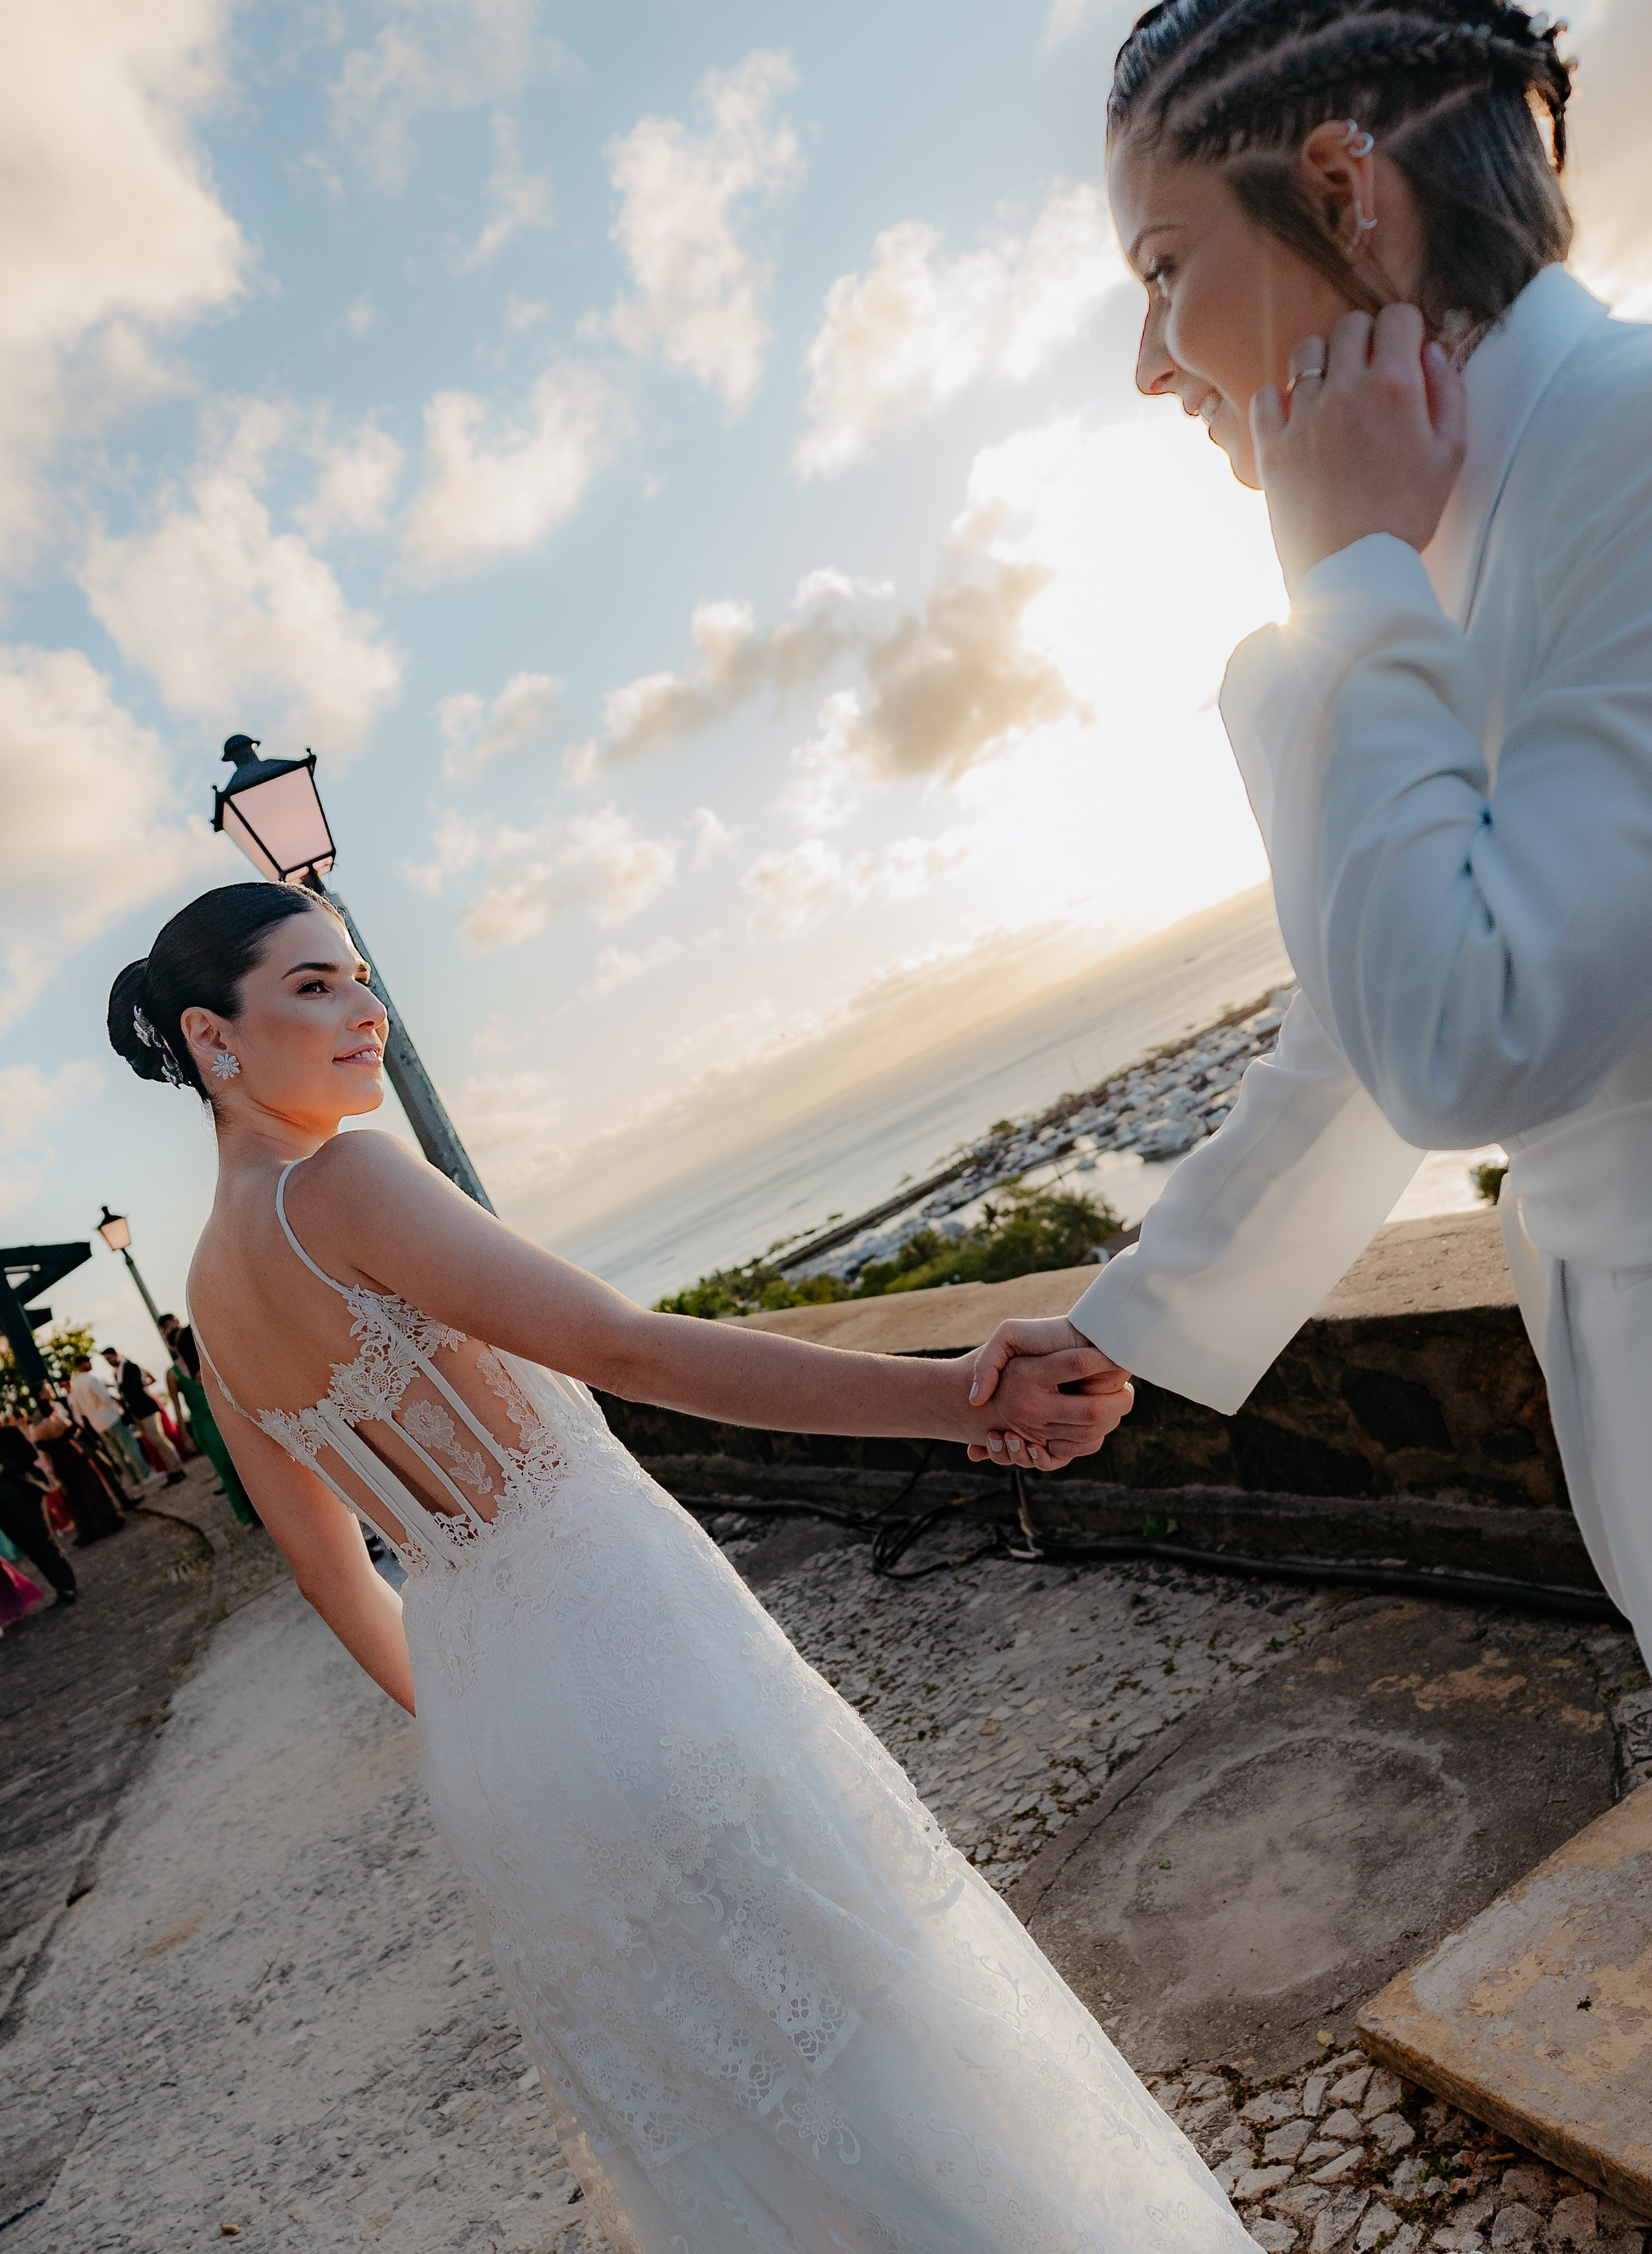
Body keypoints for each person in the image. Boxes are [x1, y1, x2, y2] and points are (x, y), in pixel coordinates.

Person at [107, 880, 1254, 2254]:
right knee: (884, 2031)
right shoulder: (343, 1183)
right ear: (212, 1037)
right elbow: (629, 1351)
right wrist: (961, 1397)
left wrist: (497, 1727)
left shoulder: (211, 1311)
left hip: (496, 1747)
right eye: (313, 985)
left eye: (360, 977)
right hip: (633, 1656)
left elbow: (340, 1581)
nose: (367, 1008)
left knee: (759, 2119)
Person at [964, 0, 1652, 1670]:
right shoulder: (1459, 531)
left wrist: (1336, 585)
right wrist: (1136, 1316)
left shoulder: (1631, 454)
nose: (1144, 361)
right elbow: (1360, 1031)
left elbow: (1472, 1036)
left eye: (1163, 267)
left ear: (1345, 194)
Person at [160, 1313, 259, 1529]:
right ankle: (247, 1515)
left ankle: (261, 1509)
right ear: (173, 1347)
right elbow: (176, 1407)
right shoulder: (172, 1374)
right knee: (227, 1469)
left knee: (246, 1463)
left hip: (223, 1414)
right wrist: (185, 1436)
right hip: (204, 1424)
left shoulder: (202, 1358)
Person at [0, 1417, 78, 1604]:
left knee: (42, 1541)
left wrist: (3, 1467)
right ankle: (60, 1587)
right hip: (0, 1510)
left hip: (25, 1497)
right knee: (30, 1549)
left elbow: (30, 1455)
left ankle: (67, 1587)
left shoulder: (8, 1434)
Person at [29, 1389, 125, 1545]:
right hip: (75, 1459)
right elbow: (74, 1430)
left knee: (75, 1499)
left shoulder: (40, 1430)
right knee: (93, 1491)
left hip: (61, 1465)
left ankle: (88, 1530)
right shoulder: (60, 1422)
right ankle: (106, 1522)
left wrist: (53, 1467)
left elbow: (45, 1451)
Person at [68, 1355, 150, 1494]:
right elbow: (105, 1397)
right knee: (129, 1446)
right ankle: (145, 1475)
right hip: (111, 1418)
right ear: (81, 1365)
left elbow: (79, 1410)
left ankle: (134, 1481)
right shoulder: (91, 1379)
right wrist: (117, 1405)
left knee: (117, 1454)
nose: (89, 1364)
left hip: (97, 1425)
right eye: (87, 1362)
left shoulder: (74, 1386)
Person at [103, 1347, 185, 1481]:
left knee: (158, 1438)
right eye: (106, 1359)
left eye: (110, 1357)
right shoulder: (117, 1373)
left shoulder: (131, 1367)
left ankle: (177, 1468)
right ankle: (171, 1470)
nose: (109, 1361)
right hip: (136, 1411)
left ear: (116, 1354)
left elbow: (136, 1387)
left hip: (146, 1408)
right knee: (154, 1441)